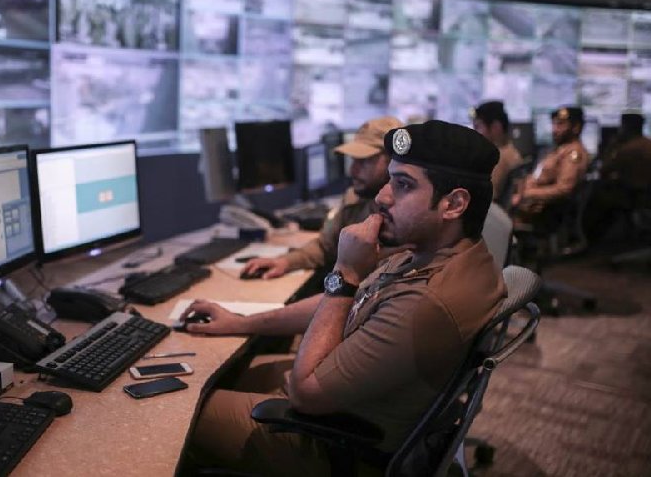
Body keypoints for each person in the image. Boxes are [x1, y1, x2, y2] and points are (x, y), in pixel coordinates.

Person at [184, 120, 506, 476]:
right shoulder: (435, 252)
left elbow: (305, 394)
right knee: (219, 374)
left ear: (454, 204)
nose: (383, 197)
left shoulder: (428, 300)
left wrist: (346, 273)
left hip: (336, 444)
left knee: (178, 410)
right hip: (346, 398)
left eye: (403, 185)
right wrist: (240, 323)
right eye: (389, 179)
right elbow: (350, 302)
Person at [243, 116, 404, 280]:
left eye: (364, 161)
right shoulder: (354, 198)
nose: (353, 171)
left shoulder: (406, 217)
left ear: (394, 162)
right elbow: (325, 246)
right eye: (353, 160)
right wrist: (285, 262)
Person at [512, 106, 589, 223]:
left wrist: (528, 194)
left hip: (546, 216)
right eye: (554, 124)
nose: (555, 129)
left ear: (576, 128)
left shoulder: (574, 153)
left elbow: (564, 189)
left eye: (561, 125)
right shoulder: (559, 149)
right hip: (531, 207)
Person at [584, 112, 651, 240]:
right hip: (645, 194)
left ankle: (592, 239)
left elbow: (604, 170)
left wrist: (611, 146)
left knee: (594, 195)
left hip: (633, 195)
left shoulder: (627, 150)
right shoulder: (648, 144)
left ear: (625, 127)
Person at [471, 100, 524, 202]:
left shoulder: (498, 158)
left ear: (496, 127)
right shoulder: (510, 152)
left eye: (478, 127)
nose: (475, 132)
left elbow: (487, 199)